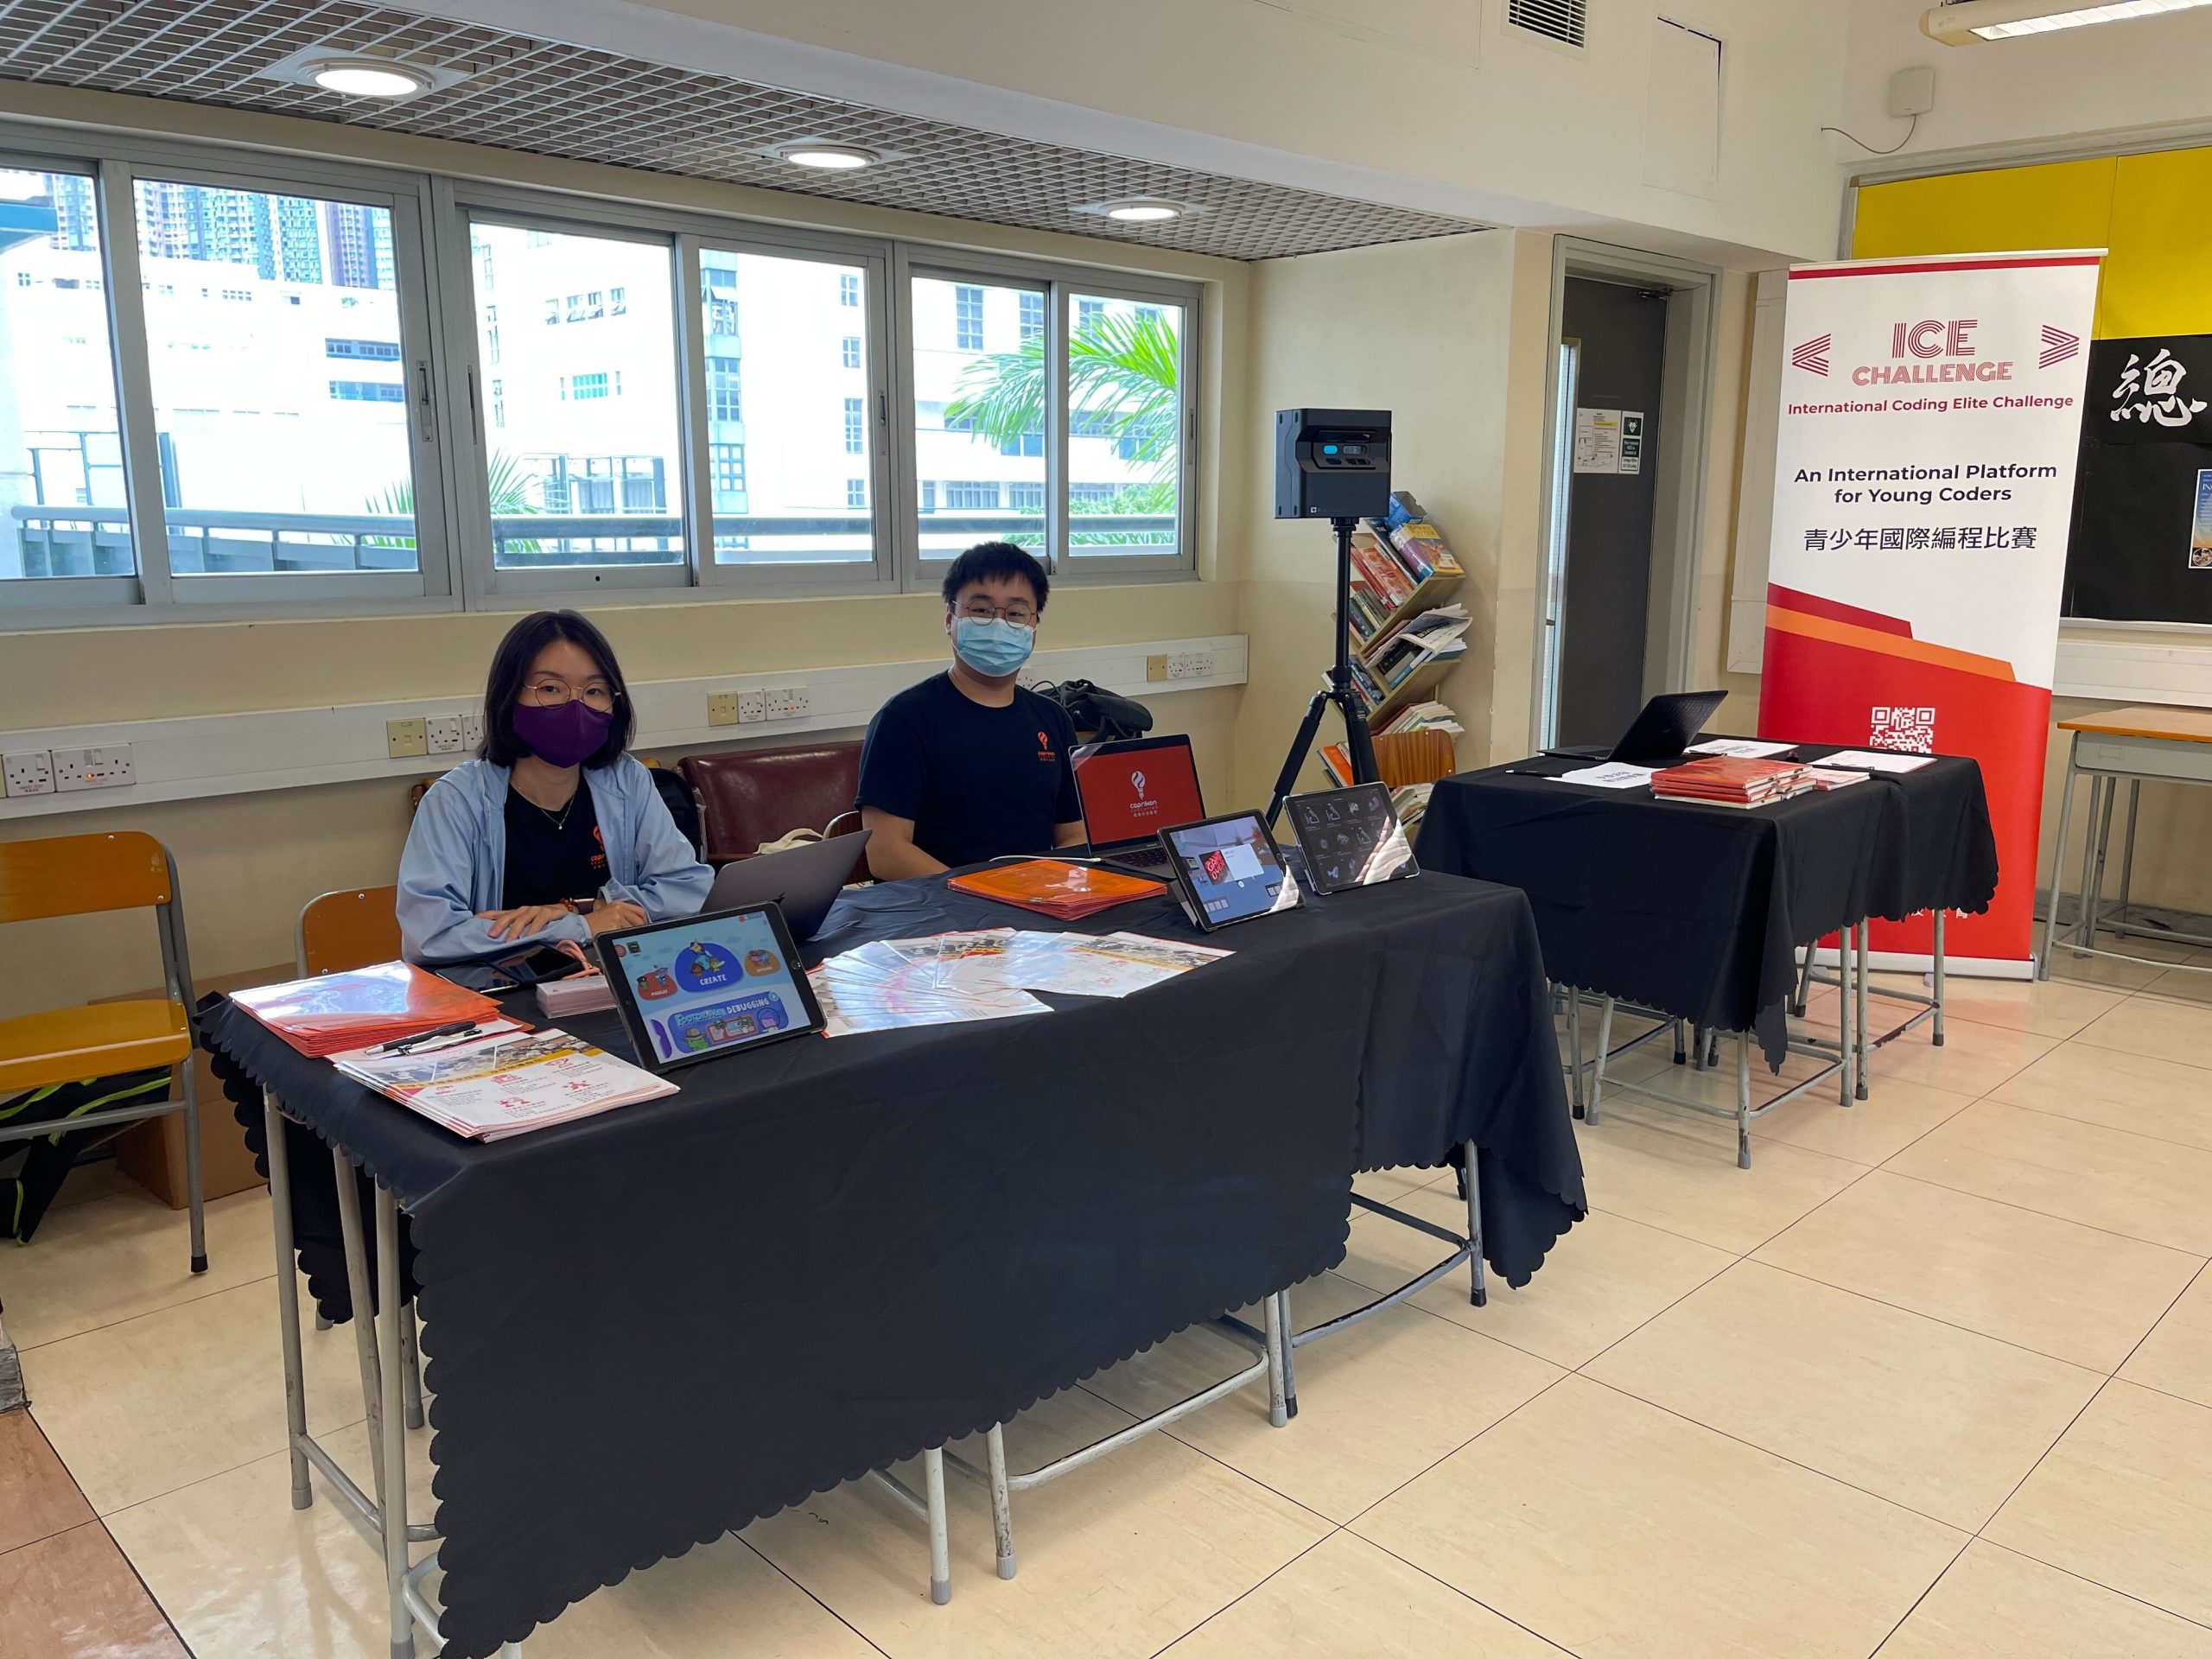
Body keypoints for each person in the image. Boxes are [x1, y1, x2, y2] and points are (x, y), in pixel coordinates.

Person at [397, 610, 712, 962]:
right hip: (502, 987)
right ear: (509, 696)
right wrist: (580, 926)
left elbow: (689, 889)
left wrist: (584, 907)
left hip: (613, 977)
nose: (575, 706)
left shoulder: (627, 780)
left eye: (594, 691)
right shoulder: (455, 800)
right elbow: (431, 936)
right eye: (550, 688)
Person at [857, 541, 1084, 879]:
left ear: (1034, 627)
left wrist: (1051, 891)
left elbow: (1074, 836)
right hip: (938, 904)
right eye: (981, 610)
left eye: (1016, 613)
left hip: (1038, 900)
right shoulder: (904, 720)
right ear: (950, 620)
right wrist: (980, 893)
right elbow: (886, 853)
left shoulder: (1053, 720)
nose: (999, 623)